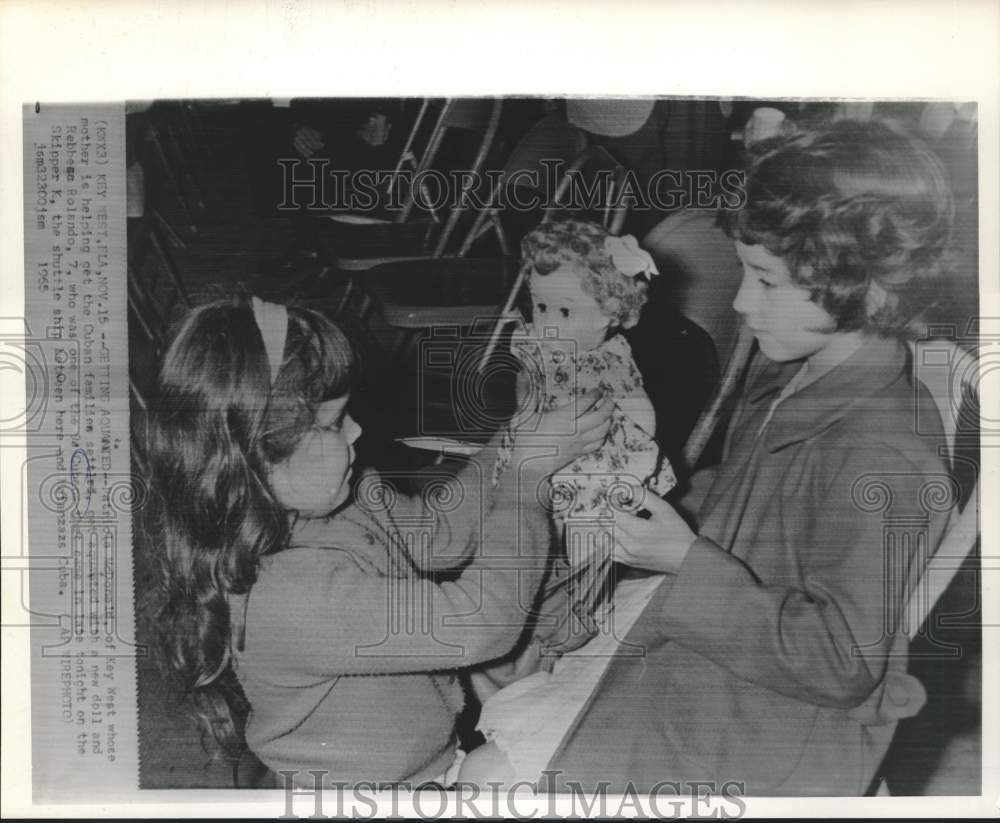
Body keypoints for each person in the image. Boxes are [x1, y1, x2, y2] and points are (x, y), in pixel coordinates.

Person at [461, 118, 957, 795]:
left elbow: (843, 659)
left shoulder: (884, 453)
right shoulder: (801, 369)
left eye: (765, 281)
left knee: (491, 770)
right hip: (728, 633)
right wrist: (644, 509)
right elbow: (743, 497)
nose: (740, 300)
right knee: (511, 640)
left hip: (776, 723)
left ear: (862, 288)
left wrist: (682, 558)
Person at [147, 293, 612, 787]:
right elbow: (478, 622)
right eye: (329, 425)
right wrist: (526, 477)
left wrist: (516, 437)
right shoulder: (288, 598)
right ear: (255, 460)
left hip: (422, 762)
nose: (356, 430)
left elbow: (439, 531)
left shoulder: (338, 498)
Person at [491, 218, 677, 646]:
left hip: (589, 467)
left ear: (610, 314)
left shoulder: (606, 362)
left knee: (585, 541)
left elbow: (642, 415)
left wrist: (627, 448)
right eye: (540, 307)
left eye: (565, 311)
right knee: (532, 527)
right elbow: (528, 387)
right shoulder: (543, 346)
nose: (548, 323)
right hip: (542, 452)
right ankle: (534, 592)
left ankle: (580, 608)